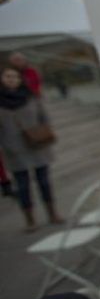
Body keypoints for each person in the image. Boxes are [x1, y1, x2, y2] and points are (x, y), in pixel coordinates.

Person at [0, 66, 62, 231]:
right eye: (7, 76)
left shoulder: (31, 97)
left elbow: (44, 117)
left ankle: (52, 213)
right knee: (22, 186)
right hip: (14, 150)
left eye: (15, 76)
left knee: (44, 182)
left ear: (20, 79)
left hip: (37, 145)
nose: (12, 79)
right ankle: (30, 220)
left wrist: (45, 131)